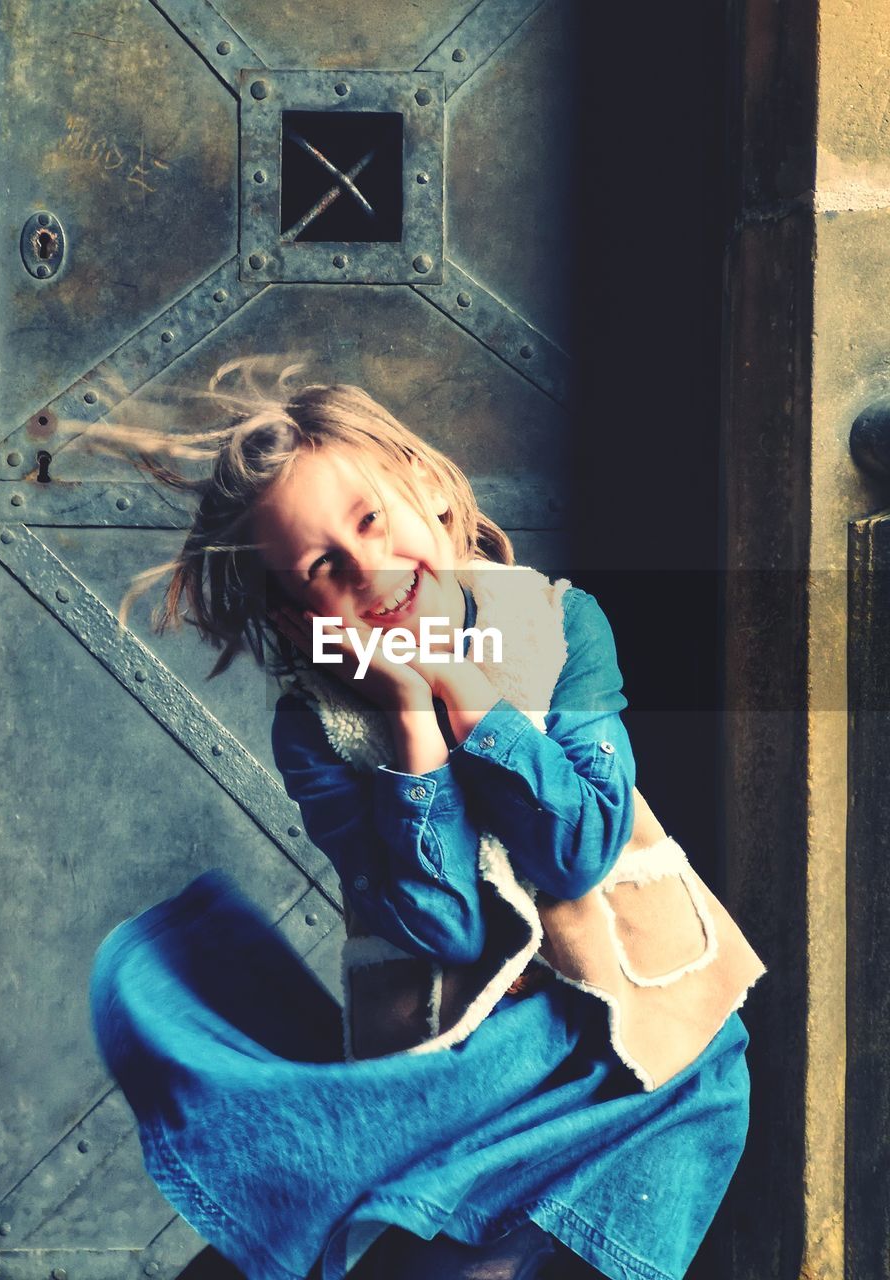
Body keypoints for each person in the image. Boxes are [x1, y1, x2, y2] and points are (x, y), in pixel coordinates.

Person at [87, 363, 766, 1280]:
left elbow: (577, 853)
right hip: (469, 1069)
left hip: (629, 1044)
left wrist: (472, 697)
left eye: (371, 521)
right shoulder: (316, 728)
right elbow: (441, 925)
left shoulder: (564, 628)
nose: (368, 568)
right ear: (300, 625)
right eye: (326, 568)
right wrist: (414, 723)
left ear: (433, 497)